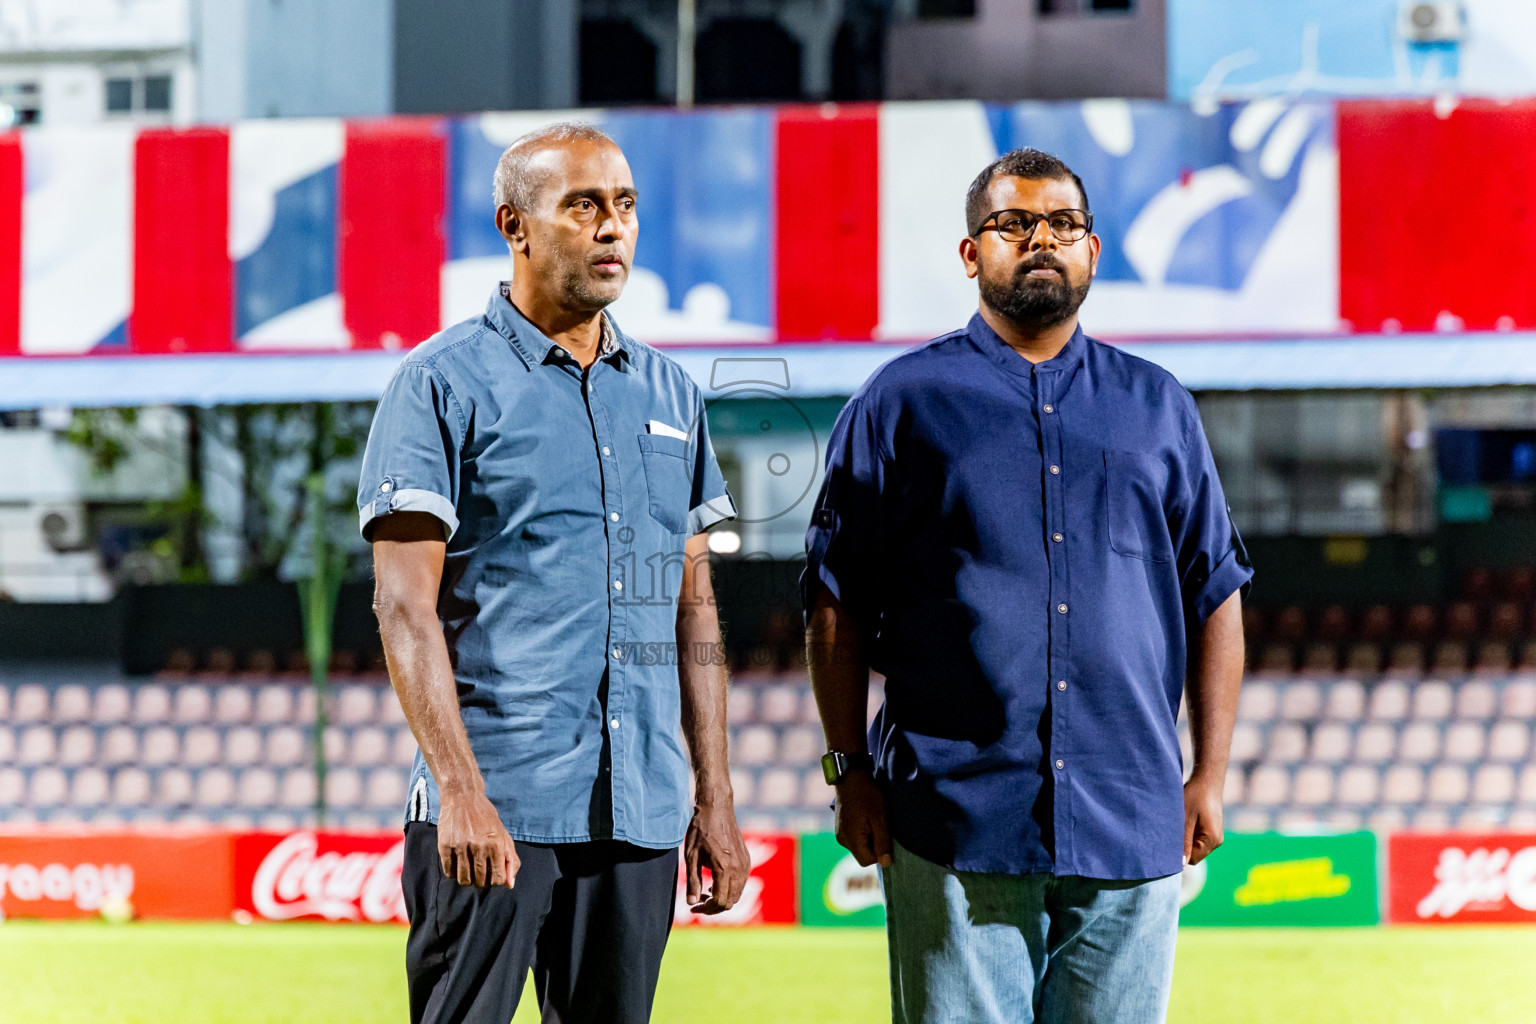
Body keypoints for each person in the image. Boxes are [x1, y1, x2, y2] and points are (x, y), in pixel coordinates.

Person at [803, 148, 1252, 1024]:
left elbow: (1216, 595)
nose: (1040, 239)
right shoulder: (899, 402)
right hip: (953, 810)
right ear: (972, 254)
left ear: (1093, 249)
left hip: (1130, 806)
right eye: (1013, 224)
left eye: (1062, 225)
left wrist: (1212, 774)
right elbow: (836, 600)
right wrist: (848, 769)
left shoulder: (1159, 405)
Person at [359, 121, 750, 1024]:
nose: (612, 227)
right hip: (495, 808)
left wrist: (716, 803)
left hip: (640, 815)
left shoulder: (671, 393)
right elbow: (402, 606)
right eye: (583, 205)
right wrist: (458, 789)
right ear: (515, 224)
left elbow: (694, 612)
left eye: (624, 206)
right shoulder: (439, 382)